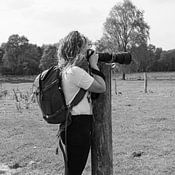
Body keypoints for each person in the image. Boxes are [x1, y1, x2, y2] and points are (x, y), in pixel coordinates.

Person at [58, 31, 106, 175]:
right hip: (78, 127)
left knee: (72, 169)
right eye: (85, 48)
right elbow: (101, 87)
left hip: (70, 125)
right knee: (74, 171)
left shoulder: (65, 70)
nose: (87, 51)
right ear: (77, 49)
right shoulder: (75, 72)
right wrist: (94, 65)